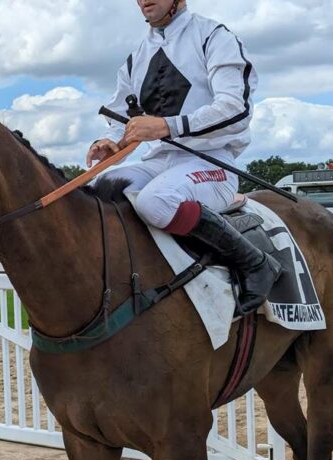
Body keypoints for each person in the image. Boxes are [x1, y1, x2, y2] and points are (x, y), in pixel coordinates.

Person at [88, 0, 281, 314]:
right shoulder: (137, 56)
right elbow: (121, 115)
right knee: (98, 190)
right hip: (160, 161)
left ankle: (256, 264)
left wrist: (166, 126)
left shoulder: (213, 36)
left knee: (155, 200)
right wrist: (111, 141)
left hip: (212, 160)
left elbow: (236, 108)